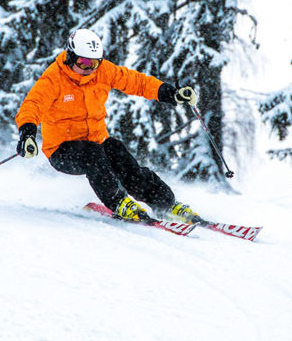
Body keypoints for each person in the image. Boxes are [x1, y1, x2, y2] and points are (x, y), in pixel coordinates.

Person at [15, 28, 199, 223]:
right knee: (91, 154)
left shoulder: (103, 72)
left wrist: (170, 93)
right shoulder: (53, 79)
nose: (89, 68)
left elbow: (137, 82)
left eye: (94, 63)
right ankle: (119, 202)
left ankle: (165, 204)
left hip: (96, 141)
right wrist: (27, 134)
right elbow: (32, 105)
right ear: (70, 56)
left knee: (120, 154)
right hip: (62, 150)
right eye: (83, 62)